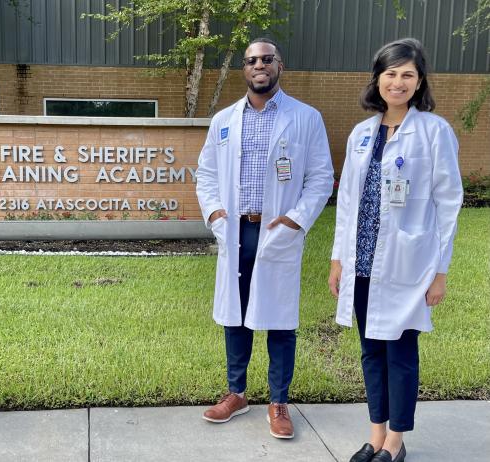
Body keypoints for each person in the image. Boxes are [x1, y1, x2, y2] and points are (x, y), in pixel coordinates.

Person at [328, 38, 463, 462]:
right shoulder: (362, 134)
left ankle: (396, 442)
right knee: (371, 351)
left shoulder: (434, 131)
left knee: (400, 354)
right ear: (378, 79)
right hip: (363, 260)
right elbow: (348, 202)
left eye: (407, 74)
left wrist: (440, 271)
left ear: (419, 81)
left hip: (410, 263)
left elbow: (449, 202)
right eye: (390, 73)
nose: (397, 82)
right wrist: (338, 259)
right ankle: (375, 435)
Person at [196, 37, 333, 439]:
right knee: (234, 315)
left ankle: (278, 401)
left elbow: (321, 177)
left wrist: (295, 221)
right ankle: (236, 393)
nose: (260, 65)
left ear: (279, 66)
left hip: (277, 231)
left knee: (279, 320)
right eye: (252, 60)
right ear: (245, 69)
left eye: (267, 59)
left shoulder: (306, 117)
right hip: (235, 229)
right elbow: (205, 175)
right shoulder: (223, 120)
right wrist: (216, 213)